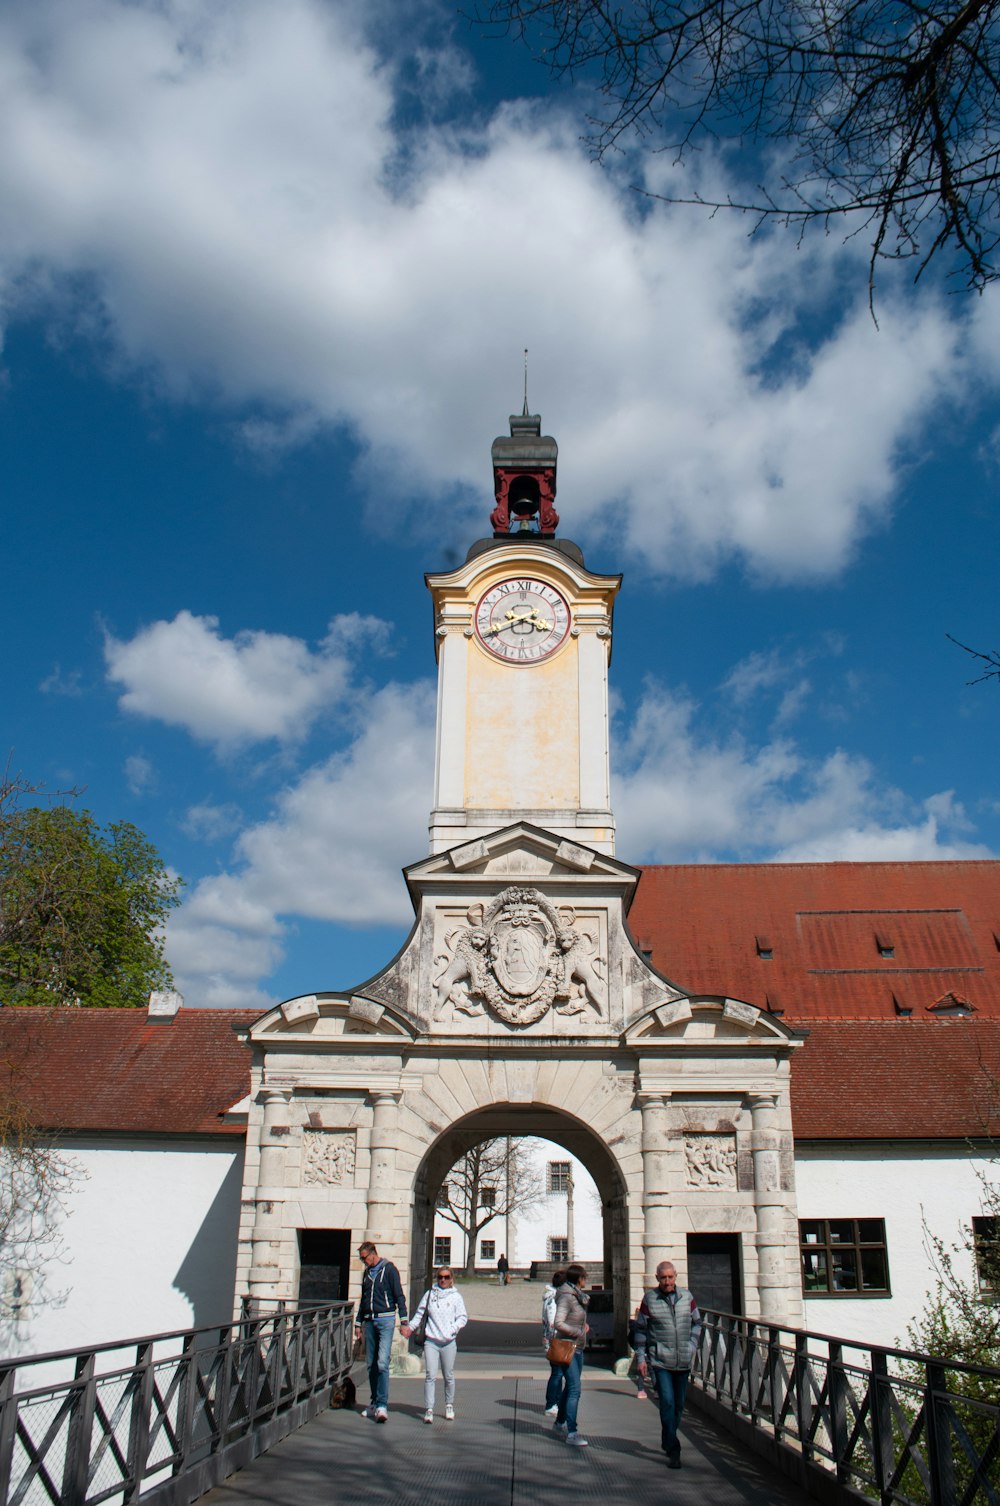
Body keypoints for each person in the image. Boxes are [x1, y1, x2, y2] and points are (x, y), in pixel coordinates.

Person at [633, 1261, 702, 1470]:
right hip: (660, 1360)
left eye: (670, 1277)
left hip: (682, 1360)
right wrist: (642, 1358)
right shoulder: (650, 1300)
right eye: (663, 1278)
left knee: (679, 1405)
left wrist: (692, 1346)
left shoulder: (687, 1297)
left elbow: (697, 1322)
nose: (667, 1281)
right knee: (668, 1402)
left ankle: (667, 1437)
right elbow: (640, 1330)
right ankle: (674, 1450)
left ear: (676, 1276)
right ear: (657, 1278)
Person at [401, 1266, 468, 1423]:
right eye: (440, 1277)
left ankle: (449, 1404)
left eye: (446, 1277)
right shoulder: (430, 1294)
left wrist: (453, 1328)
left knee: (448, 1375)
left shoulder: (456, 1297)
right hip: (431, 1340)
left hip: (448, 1342)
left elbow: (463, 1317)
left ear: (451, 1279)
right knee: (430, 1375)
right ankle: (429, 1408)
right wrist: (410, 1328)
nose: (442, 1280)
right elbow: (419, 1314)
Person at [354, 1240, 407, 1423]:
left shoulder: (389, 1270)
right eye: (361, 1259)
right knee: (371, 1364)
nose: (363, 1262)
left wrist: (404, 1320)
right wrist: (358, 1322)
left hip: (385, 1320)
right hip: (369, 1321)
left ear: (373, 1253)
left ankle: (382, 1404)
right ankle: (375, 1401)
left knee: (382, 1362)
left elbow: (399, 1295)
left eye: (364, 1258)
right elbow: (364, 1298)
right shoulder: (367, 1273)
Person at [549, 1263, 590, 1447]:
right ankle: (572, 1432)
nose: (585, 1281)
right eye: (584, 1278)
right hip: (568, 1346)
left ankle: (559, 1422)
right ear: (579, 1279)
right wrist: (578, 1332)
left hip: (577, 1347)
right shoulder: (567, 1297)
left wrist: (582, 1328)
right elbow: (558, 1323)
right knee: (575, 1389)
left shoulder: (577, 1296)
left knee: (570, 1388)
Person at [541, 1267, 566, 1418]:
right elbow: (552, 1322)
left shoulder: (552, 1297)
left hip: (553, 1340)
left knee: (558, 1373)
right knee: (557, 1373)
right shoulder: (554, 1299)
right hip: (556, 1341)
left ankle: (554, 1402)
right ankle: (551, 1404)